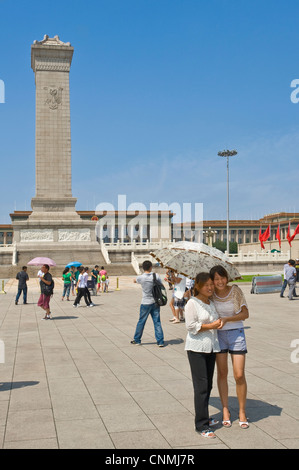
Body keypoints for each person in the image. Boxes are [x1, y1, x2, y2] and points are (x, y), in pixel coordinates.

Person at [210, 265, 249, 429]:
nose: (220, 282)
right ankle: (225, 409)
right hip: (218, 336)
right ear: (212, 280)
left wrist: (227, 319)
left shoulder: (235, 291)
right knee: (222, 373)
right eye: (216, 279)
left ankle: (241, 411)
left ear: (227, 278)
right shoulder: (210, 294)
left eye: (222, 278)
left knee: (239, 374)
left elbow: (245, 314)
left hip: (236, 334)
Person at [185, 272, 221, 439]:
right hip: (197, 349)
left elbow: (213, 320)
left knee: (208, 386)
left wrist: (217, 323)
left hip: (211, 348)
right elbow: (191, 326)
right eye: (206, 285)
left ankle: (205, 416)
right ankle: (201, 425)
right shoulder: (192, 303)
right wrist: (211, 325)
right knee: (201, 387)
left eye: (211, 284)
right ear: (197, 286)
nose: (210, 287)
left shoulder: (210, 302)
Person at [131, 260, 164, 347]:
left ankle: (137, 340)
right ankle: (160, 341)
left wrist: (134, 280)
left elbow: (135, 281)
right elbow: (161, 284)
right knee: (157, 322)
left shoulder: (141, 277)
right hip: (155, 302)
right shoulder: (156, 276)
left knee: (141, 321)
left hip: (145, 302)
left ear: (143, 268)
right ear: (150, 267)